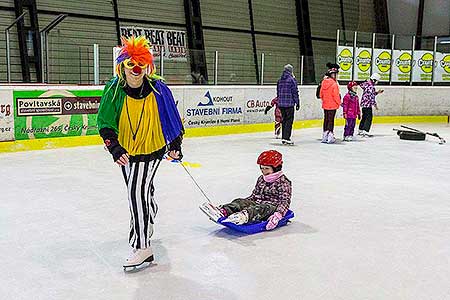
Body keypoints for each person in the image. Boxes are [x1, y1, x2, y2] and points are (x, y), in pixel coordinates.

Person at [97, 36, 184, 269]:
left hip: (153, 148)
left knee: (136, 192)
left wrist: (176, 145)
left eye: (140, 65)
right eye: (131, 65)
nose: (136, 70)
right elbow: (105, 122)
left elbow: (172, 119)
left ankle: (143, 246)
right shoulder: (114, 90)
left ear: (147, 66)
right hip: (125, 150)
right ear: (122, 67)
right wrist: (114, 147)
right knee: (141, 190)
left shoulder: (159, 89)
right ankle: (150, 207)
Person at [200, 150, 292, 231]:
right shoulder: (261, 178)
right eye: (262, 168)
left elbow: (285, 202)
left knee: (260, 208)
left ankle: (243, 216)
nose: (263, 171)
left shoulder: (283, 182)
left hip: (272, 207)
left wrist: (278, 215)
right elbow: (254, 195)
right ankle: (223, 211)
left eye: (267, 168)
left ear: (276, 168)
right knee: (240, 201)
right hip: (258, 202)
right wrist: (244, 202)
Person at [276, 64, 300, 145]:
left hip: (281, 104)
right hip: (289, 104)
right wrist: (297, 102)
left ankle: (283, 137)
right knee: (289, 121)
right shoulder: (292, 80)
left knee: (284, 120)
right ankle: (287, 138)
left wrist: (279, 102)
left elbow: (278, 92)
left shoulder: (280, 80)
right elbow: (295, 92)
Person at [319, 63, 341, 144]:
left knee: (326, 119)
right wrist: (339, 103)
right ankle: (330, 136)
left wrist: (325, 100)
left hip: (325, 105)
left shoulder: (323, 82)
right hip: (333, 105)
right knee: (331, 120)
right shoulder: (334, 84)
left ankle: (325, 135)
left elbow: (321, 94)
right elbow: (336, 96)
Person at [358, 73, 384, 137]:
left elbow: (370, 94)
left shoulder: (367, 85)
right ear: (374, 80)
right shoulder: (371, 87)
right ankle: (365, 131)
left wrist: (377, 92)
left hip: (364, 105)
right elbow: (371, 97)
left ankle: (360, 130)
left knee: (364, 117)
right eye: (377, 81)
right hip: (368, 105)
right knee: (369, 118)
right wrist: (375, 105)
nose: (377, 82)